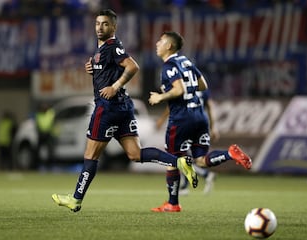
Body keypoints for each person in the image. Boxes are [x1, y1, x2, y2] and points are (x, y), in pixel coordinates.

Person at [51, 9, 197, 212]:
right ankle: (179, 161)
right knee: (135, 154)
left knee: (90, 156)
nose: (100, 28)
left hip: (107, 107)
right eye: (97, 24)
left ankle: (76, 199)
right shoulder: (103, 50)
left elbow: (132, 66)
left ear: (114, 27)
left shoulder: (112, 46)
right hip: (123, 108)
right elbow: (111, 68)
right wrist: (94, 67)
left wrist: (115, 86)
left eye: (105, 24)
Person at [148, 31, 252, 212]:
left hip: (181, 119)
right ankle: (230, 154)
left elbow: (179, 89)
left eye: (161, 41)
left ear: (169, 46)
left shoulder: (168, 66)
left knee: (171, 160)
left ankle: (173, 204)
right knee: (201, 160)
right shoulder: (186, 62)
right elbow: (203, 85)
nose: (157, 43)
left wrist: (161, 97)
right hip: (199, 115)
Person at [155, 89, 218, 195]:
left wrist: (161, 120)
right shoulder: (203, 88)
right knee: (187, 158)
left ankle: (203, 175)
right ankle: (186, 186)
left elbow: (172, 105)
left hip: (184, 123)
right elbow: (210, 107)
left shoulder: (181, 85)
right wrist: (213, 127)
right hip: (200, 124)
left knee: (178, 156)